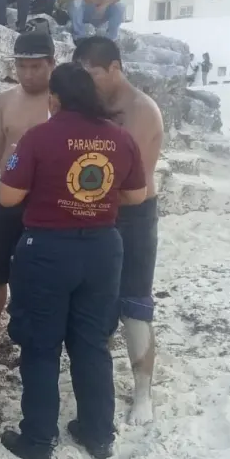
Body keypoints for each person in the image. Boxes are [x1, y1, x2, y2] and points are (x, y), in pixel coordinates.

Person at [0, 63, 149, 459]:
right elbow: (137, 195)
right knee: (93, 344)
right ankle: (98, 434)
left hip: (47, 250)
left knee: (41, 345)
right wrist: (97, 201)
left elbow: (8, 197)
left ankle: (38, 441)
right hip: (102, 250)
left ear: (55, 98)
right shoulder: (120, 137)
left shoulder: (38, 137)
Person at [73, 36, 164, 426]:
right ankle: (100, 382)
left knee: (135, 306)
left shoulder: (141, 110)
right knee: (97, 302)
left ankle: (143, 394)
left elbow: (128, 178)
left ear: (114, 68)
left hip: (134, 215)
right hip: (94, 212)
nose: (88, 82)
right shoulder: (91, 106)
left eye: (92, 74)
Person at [0, 31, 56, 356]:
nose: (28, 74)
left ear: (52, 64)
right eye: (22, 66)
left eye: (36, 67)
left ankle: (38, 341)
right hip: (5, 197)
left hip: (43, 203)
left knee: (39, 278)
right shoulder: (6, 99)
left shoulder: (61, 102)